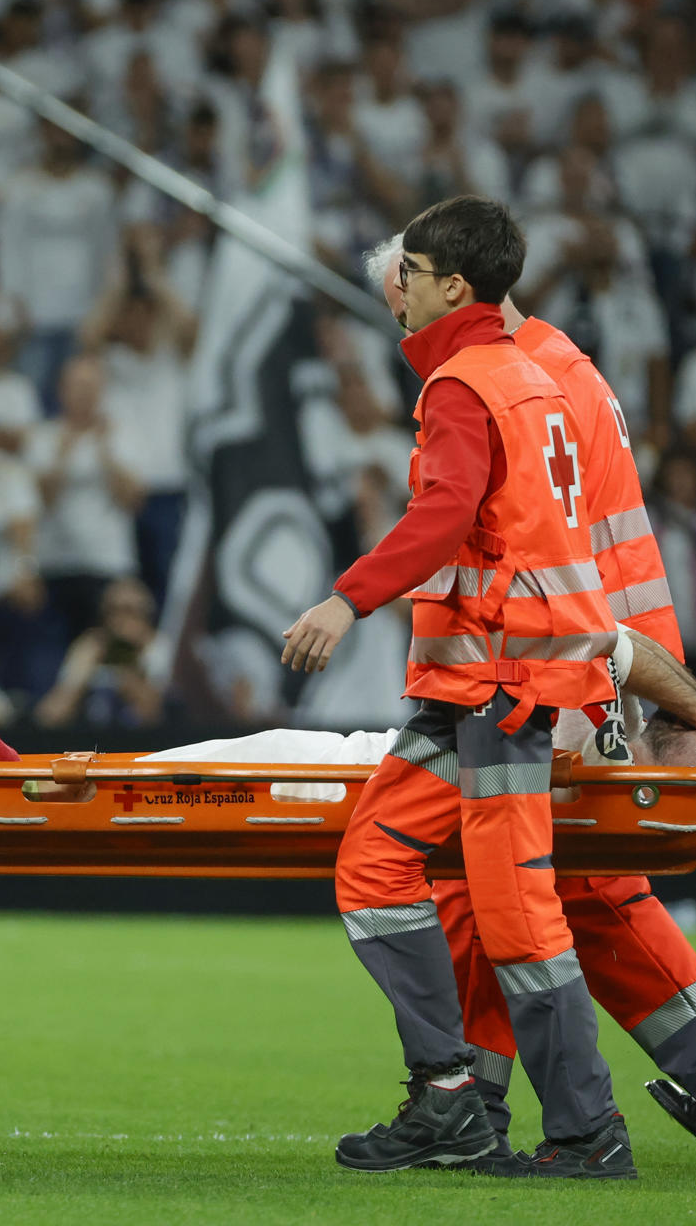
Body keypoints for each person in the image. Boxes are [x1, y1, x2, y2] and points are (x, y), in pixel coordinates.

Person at [363, 232, 696, 1175]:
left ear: (453, 289)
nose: (405, 322)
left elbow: (564, 577)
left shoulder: (513, 385)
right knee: (541, 887)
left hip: (574, 665)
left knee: (536, 888)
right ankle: (506, 1097)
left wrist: (663, 707)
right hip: (594, 657)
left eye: (406, 298)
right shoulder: (555, 371)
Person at [282, 195, 633, 1179]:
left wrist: (344, 601)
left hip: (498, 679)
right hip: (492, 679)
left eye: (417, 268)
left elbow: (444, 517)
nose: (400, 282)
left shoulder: (464, 383)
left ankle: (587, 1132)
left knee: (515, 912)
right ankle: (447, 1093)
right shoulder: (527, 374)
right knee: (377, 863)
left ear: (455, 286)